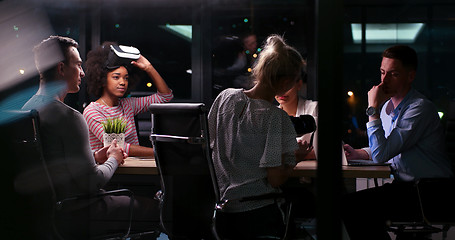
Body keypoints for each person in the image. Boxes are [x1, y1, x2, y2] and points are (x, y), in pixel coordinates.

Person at [22, 36, 159, 238]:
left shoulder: (27, 110)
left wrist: (94, 157)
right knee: (162, 211)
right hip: (81, 211)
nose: (83, 72)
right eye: (78, 65)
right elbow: (93, 182)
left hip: (45, 214)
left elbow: (52, 162)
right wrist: (113, 157)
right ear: (61, 69)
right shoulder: (69, 117)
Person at [341, 45, 454, 240]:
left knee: (353, 207)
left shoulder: (418, 109)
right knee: (352, 205)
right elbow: (385, 147)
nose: (384, 81)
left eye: (393, 74)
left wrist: (372, 109)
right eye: (382, 72)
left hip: (430, 193)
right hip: (408, 188)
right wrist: (359, 153)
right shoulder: (388, 107)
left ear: (410, 76)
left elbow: (382, 154)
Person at [208, 34, 312, 239]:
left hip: (221, 216)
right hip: (258, 217)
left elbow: (208, 143)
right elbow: (275, 179)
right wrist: (295, 159)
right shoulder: (275, 118)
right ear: (284, 82)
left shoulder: (225, 98)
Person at [83, 42, 173, 158]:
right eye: (116, 77)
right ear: (102, 80)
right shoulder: (92, 111)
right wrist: (158, 153)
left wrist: (148, 67)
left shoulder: (128, 105)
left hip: (134, 168)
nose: (122, 82)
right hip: (109, 172)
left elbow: (165, 96)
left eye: (126, 78)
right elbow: (117, 147)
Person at [275, 60, 318, 160]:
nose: (282, 91)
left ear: (299, 85)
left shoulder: (314, 109)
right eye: (277, 86)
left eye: (287, 85)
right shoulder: (270, 115)